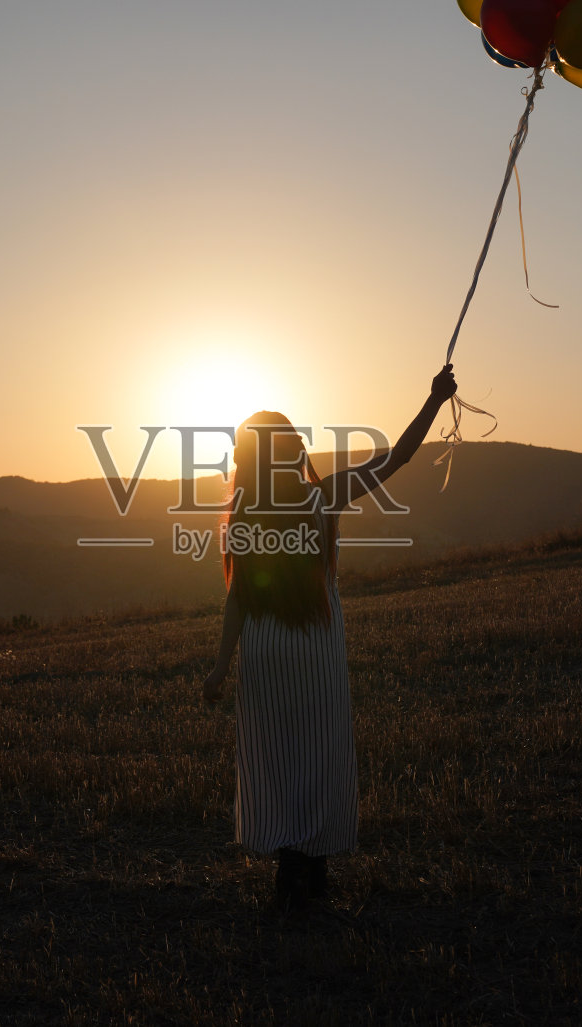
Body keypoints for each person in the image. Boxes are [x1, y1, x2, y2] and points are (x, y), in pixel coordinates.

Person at [203, 363, 459, 912]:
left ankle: (292, 873)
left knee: (276, 761)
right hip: (315, 654)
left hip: (267, 658)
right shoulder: (325, 497)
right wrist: (434, 401)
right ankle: (309, 873)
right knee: (317, 760)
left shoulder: (244, 512)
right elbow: (397, 457)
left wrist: (221, 667)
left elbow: (239, 599)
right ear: (294, 450)